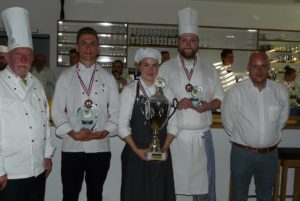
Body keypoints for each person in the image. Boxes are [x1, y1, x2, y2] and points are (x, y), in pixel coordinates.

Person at [158, 7, 224, 201]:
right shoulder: (165, 68)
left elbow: (219, 98)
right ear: (178, 42)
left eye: (192, 40)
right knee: (168, 189)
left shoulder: (209, 68)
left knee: (203, 191)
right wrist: (174, 104)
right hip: (173, 138)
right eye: (184, 40)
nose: (188, 44)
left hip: (201, 138)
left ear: (198, 43)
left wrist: (207, 106)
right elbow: (156, 100)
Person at [51, 27, 119, 201]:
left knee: (95, 194)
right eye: (84, 43)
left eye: (92, 43)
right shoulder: (66, 77)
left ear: (98, 48)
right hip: (72, 145)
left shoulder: (108, 78)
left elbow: (116, 111)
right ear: (77, 46)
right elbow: (57, 111)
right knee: (70, 195)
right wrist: (73, 133)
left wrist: (105, 131)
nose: (88, 47)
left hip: (100, 145)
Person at [0, 7, 55, 201]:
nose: (24, 59)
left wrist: (47, 154)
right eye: (18, 54)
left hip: (37, 170)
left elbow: (45, 124)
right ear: (7, 57)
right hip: (9, 173)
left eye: (28, 54)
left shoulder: (37, 84)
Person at [221, 52, 289, 201]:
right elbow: (227, 120)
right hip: (242, 154)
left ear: (269, 67)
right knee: (239, 195)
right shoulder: (236, 91)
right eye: (255, 66)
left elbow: (282, 120)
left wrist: (267, 137)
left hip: (269, 155)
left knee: (265, 196)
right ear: (248, 68)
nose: (259, 71)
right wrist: (245, 138)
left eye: (263, 66)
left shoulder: (280, 91)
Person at [118, 47, 178, 201]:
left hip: (160, 154)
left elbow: (174, 125)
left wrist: (164, 148)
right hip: (135, 154)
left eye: (155, 65)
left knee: (159, 195)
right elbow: (122, 126)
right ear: (139, 66)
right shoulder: (129, 91)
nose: (151, 69)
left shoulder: (168, 92)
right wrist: (137, 150)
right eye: (146, 65)